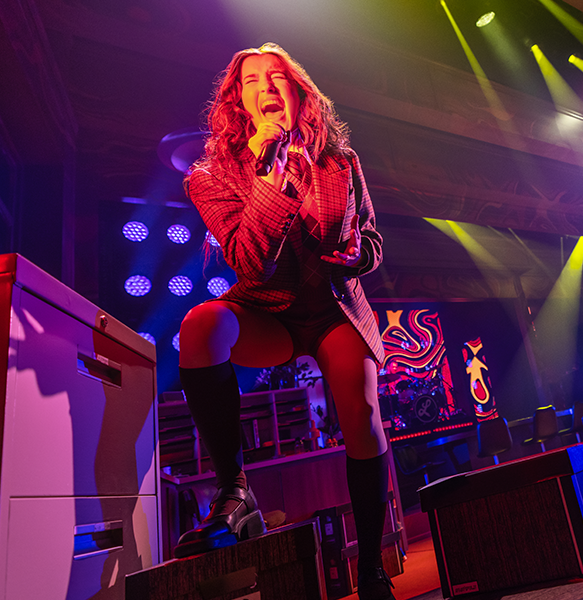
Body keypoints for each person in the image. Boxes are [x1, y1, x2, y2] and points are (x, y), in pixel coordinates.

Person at [175, 43, 394, 599]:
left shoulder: (341, 162)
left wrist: (359, 256)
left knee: (363, 412)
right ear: (239, 102)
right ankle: (234, 489)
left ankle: (371, 569)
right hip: (267, 310)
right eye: (252, 81)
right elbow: (251, 262)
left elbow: (371, 238)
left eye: (277, 77)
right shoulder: (211, 176)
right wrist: (269, 180)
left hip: (334, 308)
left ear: (300, 93)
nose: (267, 87)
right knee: (200, 326)